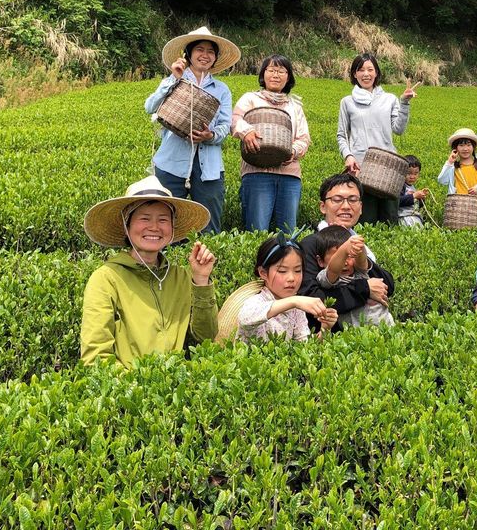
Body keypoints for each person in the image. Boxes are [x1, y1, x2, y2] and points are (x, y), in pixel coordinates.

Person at [80, 176, 218, 367]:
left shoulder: (181, 277)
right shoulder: (106, 279)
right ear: (126, 226)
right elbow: (95, 358)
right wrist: (141, 389)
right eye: (144, 218)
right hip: (128, 391)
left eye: (163, 220)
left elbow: (206, 339)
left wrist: (201, 280)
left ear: (171, 227)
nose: (154, 227)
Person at [145, 26, 239, 234]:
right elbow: (150, 107)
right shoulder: (174, 80)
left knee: (209, 224)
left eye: (210, 52)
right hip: (171, 163)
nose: (205, 55)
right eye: (200, 49)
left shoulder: (222, 90)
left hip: (209, 168)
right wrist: (173, 79)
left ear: (215, 58)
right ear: (188, 54)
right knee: (167, 223)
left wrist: (210, 136)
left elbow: (225, 127)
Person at [298, 174, 395, 332]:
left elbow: (387, 286)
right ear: (322, 206)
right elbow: (312, 298)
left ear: (361, 207)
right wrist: (365, 289)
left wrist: (364, 264)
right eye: (337, 200)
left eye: (353, 199)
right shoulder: (311, 244)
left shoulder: (358, 242)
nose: (346, 206)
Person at [231, 55, 311, 233]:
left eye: (282, 71)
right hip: (257, 172)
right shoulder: (250, 98)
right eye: (272, 70)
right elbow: (234, 119)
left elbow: (304, 138)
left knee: (288, 231)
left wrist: (293, 152)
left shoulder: (294, 107)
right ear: (263, 74)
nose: (276, 75)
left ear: (288, 77)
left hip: (289, 176)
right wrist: (247, 132)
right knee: (257, 231)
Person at [337, 53, 419, 224]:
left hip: (388, 168)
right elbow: (342, 135)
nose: (365, 74)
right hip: (362, 167)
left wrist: (404, 103)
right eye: (361, 70)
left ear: (376, 73)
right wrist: (348, 156)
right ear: (354, 74)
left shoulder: (389, 99)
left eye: (370, 69)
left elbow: (399, 129)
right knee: (367, 219)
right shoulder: (347, 102)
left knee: (389, 218)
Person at [236, 236, 337, 342]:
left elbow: (305, 345)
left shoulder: (296, 309)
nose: (291, 278)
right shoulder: (256, 301)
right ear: (263, 273)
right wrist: (294, 301)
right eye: (282, 271)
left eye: (297, 271)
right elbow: (245, 319)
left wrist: (325, 328)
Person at [314, 225, 396, 327]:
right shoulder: (326, 278)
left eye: (350, 256)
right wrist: (344, 250)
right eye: (339, 256)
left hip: (386, 328)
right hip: (355, 335)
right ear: (320, 261)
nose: (345, 262)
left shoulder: (360, 273)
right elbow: (333, 270)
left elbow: (362, 261)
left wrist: (358, 246)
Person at [437, 128, 477, 198]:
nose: (465, 149)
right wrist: (450, 162)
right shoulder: (453, 167)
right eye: (461, 145)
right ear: (456, 148)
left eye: (468, 145)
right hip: (457, 205)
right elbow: (442, 180)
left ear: (473, 147)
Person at [398, 155, 428, 227]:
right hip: (404, 217)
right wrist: (414, 196)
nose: (412, 177)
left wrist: (421, 199)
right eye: (409, 173)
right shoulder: (400, 185)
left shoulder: (412, 187)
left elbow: (416, 206)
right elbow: (398, 201)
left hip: (414, 216)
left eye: (415, 173)